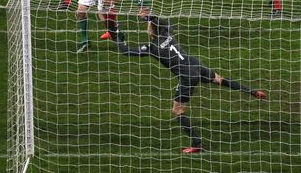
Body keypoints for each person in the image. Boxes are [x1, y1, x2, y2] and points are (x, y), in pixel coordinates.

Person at [114, 16, 267, 153]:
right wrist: (150, 18)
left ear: (153, 31)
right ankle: (252, 91)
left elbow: (126, 51)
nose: (146, 29)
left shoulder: (153, 48)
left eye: (148, 26)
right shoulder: (167, 32)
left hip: (187, 76)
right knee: (220, 80)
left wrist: (117, 37)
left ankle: (197, 143)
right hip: (194, 64)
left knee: (178, 110)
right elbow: (167, 23)